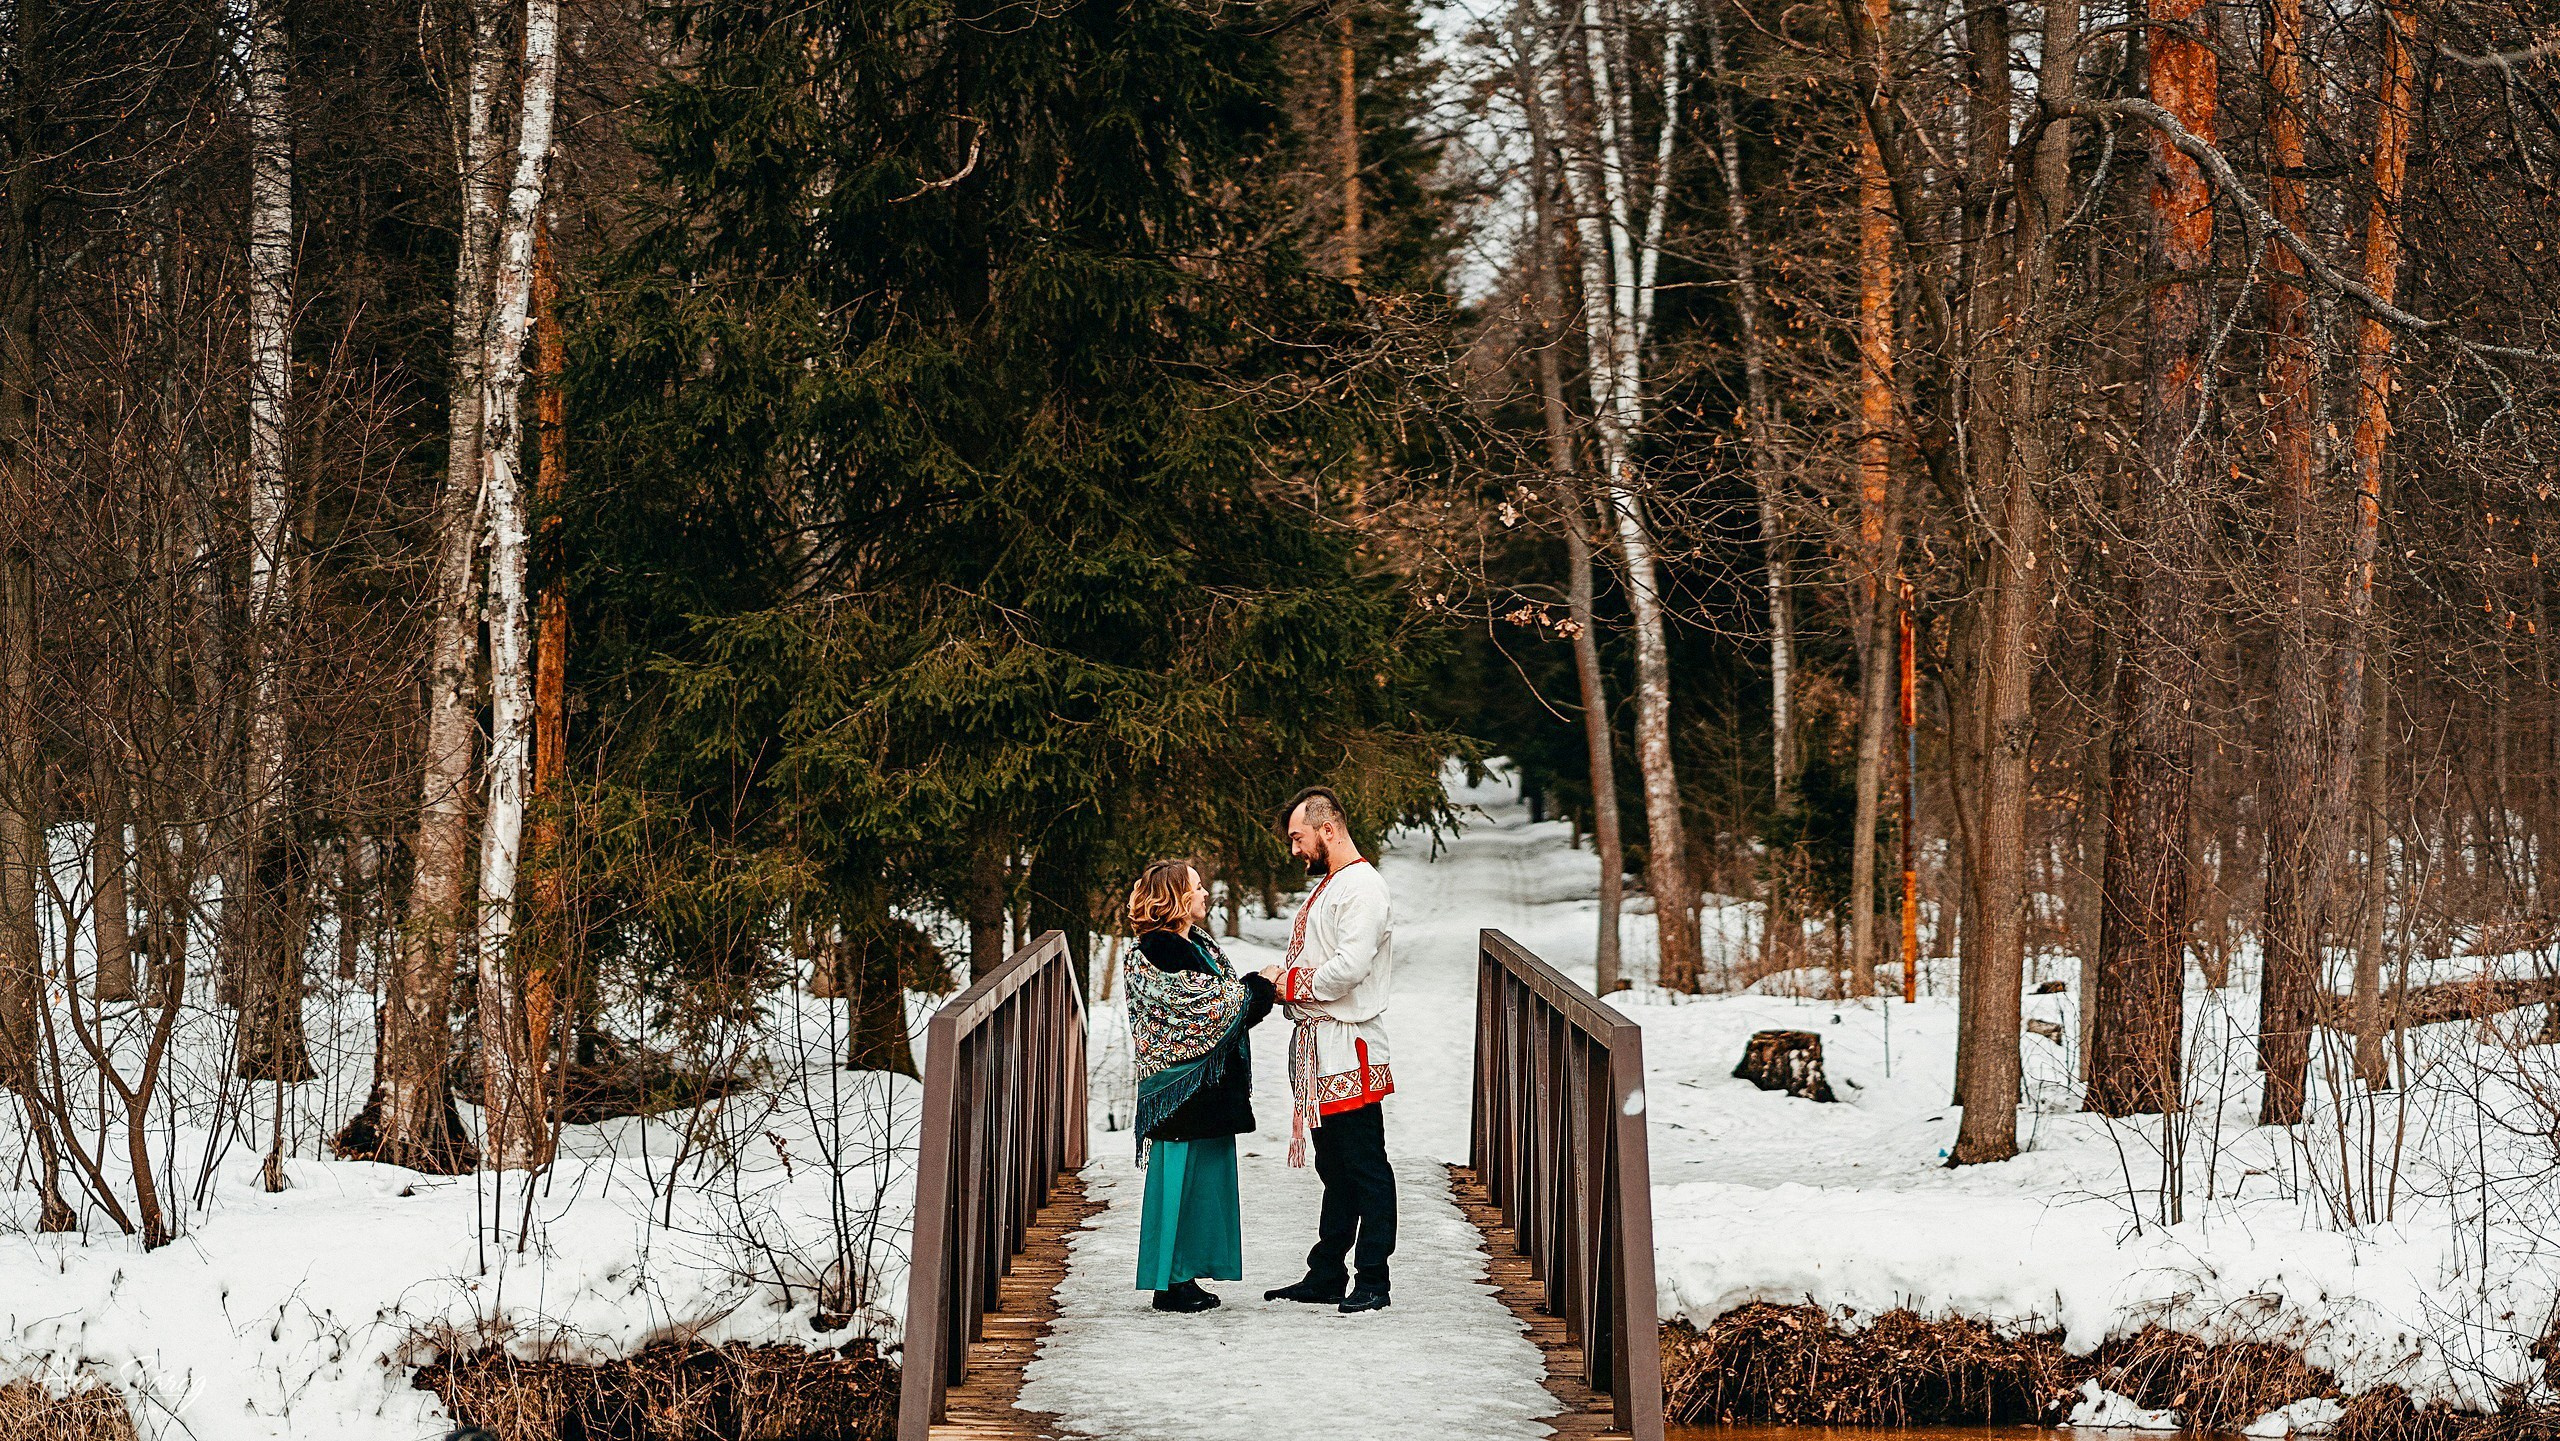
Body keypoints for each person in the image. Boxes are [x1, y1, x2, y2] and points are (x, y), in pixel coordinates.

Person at [1256, 785, 1397, 1315]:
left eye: (1299, 838)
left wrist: (1285, 984)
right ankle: (1327, 1272)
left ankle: (1374, 1278)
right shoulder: (1336, 885)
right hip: (1320, 1045)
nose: (1295, 849)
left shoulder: (1362, 887)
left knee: (1364, 1165)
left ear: (1328, 829)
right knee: (1334, 1166)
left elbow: (1349, 969)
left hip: (1347, 1043)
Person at [1125, 859, 1275, 1313]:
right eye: (1197, 886)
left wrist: (1249, 992)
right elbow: (1207, 1009)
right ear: (1176, 897)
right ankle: (1169, 1284)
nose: (1206, 892)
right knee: (1178, 1182)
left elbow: (1221, 1001)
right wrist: (1261, 986)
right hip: (1179, 1088)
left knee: (1204, 1184)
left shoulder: (1197, 942)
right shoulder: (1157, 950)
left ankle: (1186, 1275)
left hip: (1208, 1087)